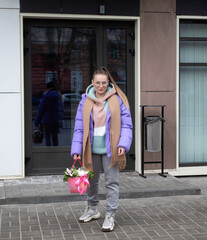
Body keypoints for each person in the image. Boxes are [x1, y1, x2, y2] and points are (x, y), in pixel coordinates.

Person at [71, 67, 133, 232]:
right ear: (92, 82)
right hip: (90, 149)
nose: (100, 86)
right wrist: (77, 149)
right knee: (91, 181)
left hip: (110, 150)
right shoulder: (85, 101)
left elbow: (126, 126)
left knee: (111, 182)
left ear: (108, 83)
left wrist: (123, 145)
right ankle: (92, 209)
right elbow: (78, 127)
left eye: (103, 82)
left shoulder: (117, 100)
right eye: (97, 82)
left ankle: (110, 214)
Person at [34, 81, 63, 146]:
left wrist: (37, 122)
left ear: (48, 88)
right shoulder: (58, 96)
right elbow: (61, 108)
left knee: (47, 137)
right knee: (55, 137)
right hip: (56, 120)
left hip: (46, 121)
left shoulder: (45, 97)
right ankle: (56, 151)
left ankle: (49, 152)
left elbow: (40, 110)